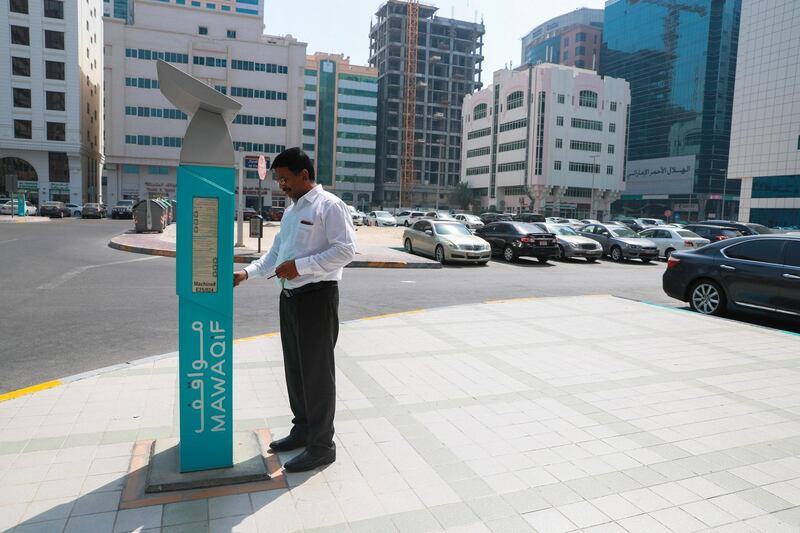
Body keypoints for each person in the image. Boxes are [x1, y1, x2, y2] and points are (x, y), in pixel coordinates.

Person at [233, 148, 356, 472]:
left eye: (285, 179)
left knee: (317, 375)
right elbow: (276, 253)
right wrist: (248, 272)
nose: (281, 186)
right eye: (278, 180)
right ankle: (302, 430)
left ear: (304, 175)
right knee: (296, 371)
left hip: (317, 297)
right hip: (289, 298)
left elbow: (345, 250)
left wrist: (301, 266)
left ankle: (321, 446)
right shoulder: (291, 211)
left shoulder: (330, 206)